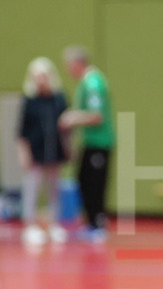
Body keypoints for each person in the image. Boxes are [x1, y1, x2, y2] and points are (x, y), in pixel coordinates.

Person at [59, 46, 115, 242]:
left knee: (94, 183)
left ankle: (97, 224)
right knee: (83, 180)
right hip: (89, 142)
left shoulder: (93, 83)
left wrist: (73, 118)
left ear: (77, 63)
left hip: (99, 143)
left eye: (69, 65)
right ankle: (91, 222)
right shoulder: (86, 82)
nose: (68, 70)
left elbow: (96, 116)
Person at [18, 57, 69, 245]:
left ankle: (54, 224)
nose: (41, 80)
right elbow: (22, 131)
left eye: (44, 76)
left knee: (55, 190)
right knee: (32, 189)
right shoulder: (29, 100)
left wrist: (68, 148)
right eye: (37, 76)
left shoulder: (59, 98)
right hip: (35, 153)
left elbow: (66, 127)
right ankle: (30, 225)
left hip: (54, 151)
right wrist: (23, 153)